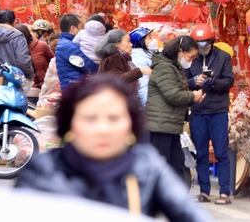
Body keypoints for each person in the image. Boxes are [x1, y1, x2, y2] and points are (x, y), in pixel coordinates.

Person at [16, 75, 208, 221]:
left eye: (114, 118)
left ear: (131, 125)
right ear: (70, 125)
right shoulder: (44, 169)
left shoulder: (146, 164)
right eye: (90, 119)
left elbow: (190, 214)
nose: (103, 130)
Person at [147, 36, 205, 190]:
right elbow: (172, 94)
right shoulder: (164, 67)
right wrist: (192, 95)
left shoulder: (173, 67)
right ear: (180, 51)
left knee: (177, 164)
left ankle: (174, 200)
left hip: (170, 123)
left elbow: (178, 93)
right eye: (190, 56)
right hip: (161, 124)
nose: (191, 60)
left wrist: (193, 98)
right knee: (163, 165)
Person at [185, 22, 234, 205]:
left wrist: (212, 82)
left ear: (212, 41)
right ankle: (204, 191)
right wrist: (194, 81)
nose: (201, 47)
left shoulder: (223, 57)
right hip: (198, 111)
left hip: (218, 110)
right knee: (202, 153)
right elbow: (183, 81)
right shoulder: (190, 58)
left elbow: (229, 81)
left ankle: (225, 192)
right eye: (197, 43)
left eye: (204, 43)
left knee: (221, 152)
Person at [55, 13, 99, 90]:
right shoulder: (67, 46)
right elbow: (88, 67)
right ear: (73, 28)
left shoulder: (68, 43)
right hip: (75, 88)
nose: (84, 30)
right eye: (82, 27)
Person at [18, 24, 54, 91]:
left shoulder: (42, 45)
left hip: (46, 85)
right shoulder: (15, 50)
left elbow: (53, 61)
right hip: (28, 89)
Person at [129, 27, 156, 107]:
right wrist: (149, 108)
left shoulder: (147, 56)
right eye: (150, 38)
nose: (154, 40)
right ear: (141, 42)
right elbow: (143, 87)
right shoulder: (139, 60)